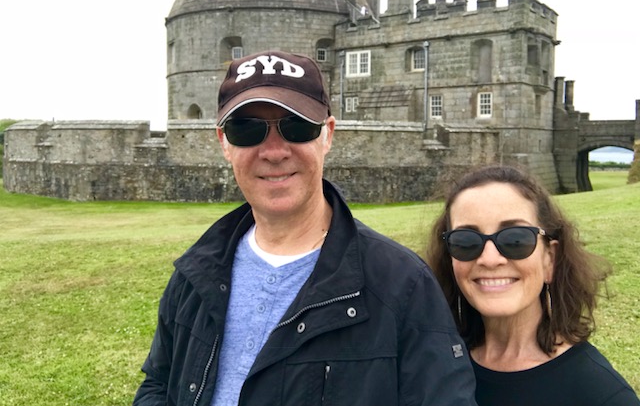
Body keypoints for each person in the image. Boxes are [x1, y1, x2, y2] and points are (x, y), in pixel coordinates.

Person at [133, 50, 478, 406]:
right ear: (224, 141)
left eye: (297, 126)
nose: (274, 151)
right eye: (247, 129)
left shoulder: (403, 284)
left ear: (328, 135)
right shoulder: (195, 272)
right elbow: (158, 385)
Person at [425, 164, 639, 406]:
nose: (490, 259)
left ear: (550, 258)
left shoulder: (602, 395)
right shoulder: (434, 367)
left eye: (516, 239)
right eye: (465, 242)